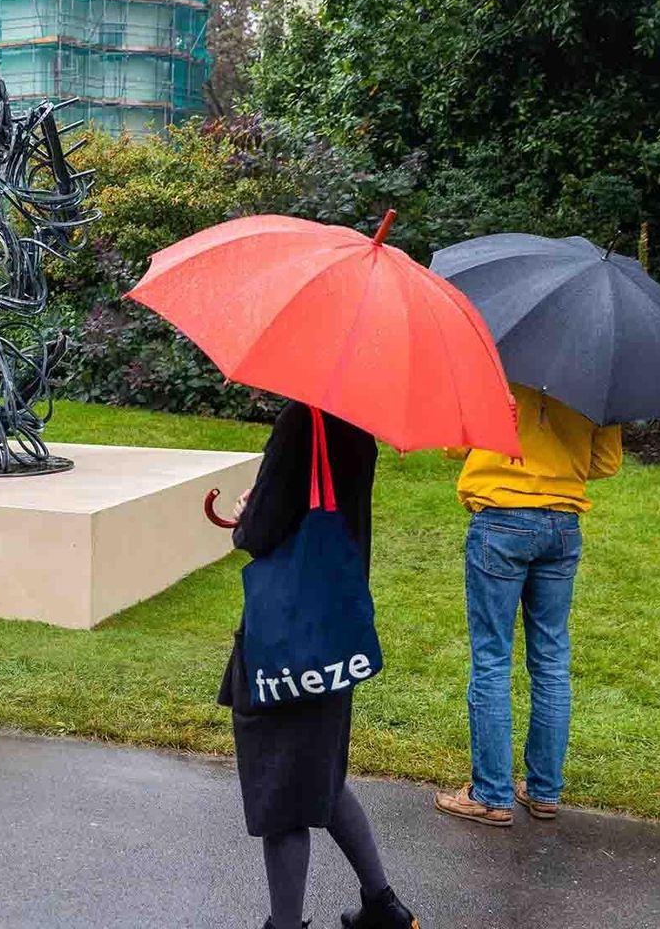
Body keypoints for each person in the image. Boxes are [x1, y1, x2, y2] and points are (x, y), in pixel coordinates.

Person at [220, 401, 418, 929]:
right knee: (321, 774)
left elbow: (258, 533)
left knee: (281, 788)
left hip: (285, 642)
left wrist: (248, 513)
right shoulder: (357, 425)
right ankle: (383, 908)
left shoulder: (300, 423)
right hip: (333, 635)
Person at [435, 384, 621, 826]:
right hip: (561, 525)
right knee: (552, 658)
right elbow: (605, 463)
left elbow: (453, 445)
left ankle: (490, 794)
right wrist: (559, 461)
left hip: (500, 522)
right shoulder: (596, 380)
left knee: (491, 657)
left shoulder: (495, 371)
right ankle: (543, 790)